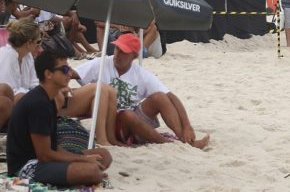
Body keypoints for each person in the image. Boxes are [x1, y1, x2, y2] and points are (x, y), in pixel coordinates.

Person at [73, 33, 209, 149]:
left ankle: (185, 140)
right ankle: (167, 142)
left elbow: (170, 96)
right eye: (117, 49)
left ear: (133, 56)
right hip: (109, 122)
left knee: (160, 97)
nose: (117, 54)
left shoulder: (140, 73)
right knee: (127, 114)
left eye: (123, 52)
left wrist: (187, 125)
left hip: (130, 121)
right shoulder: (102, 63)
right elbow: (75, 73)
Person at [6, 49, 112, 188]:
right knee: (91, 171)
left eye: (69, 68)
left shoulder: (49, 99)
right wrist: (83, 159)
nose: (70, 73)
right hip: (27, 165)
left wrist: (81, 159)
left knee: (104, 154)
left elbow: (52, 147)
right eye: (64, 69)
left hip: (44, 158)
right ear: (48, 74)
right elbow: (44, 155)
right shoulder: (39, 103)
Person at [0, 18, 41, 130]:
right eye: (38, 42)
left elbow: (34, 83)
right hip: (5, 104)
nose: (39, 46)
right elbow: (8, 91)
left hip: (15, 104)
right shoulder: (6, 56)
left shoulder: (27, 57)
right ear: (29, 43)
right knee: (12, 93)